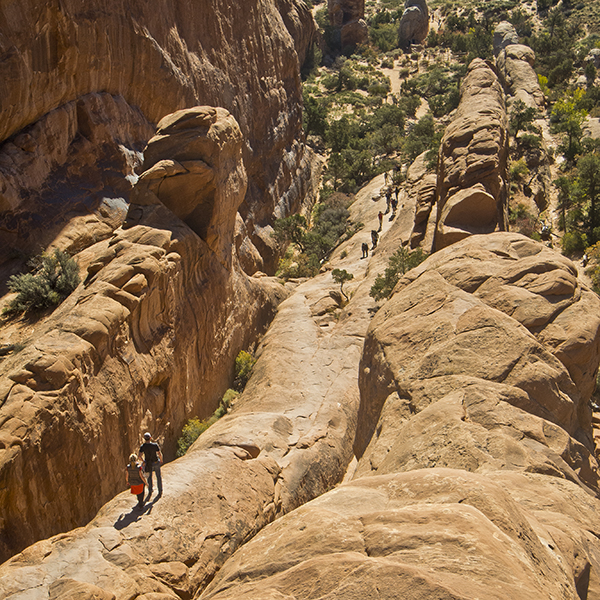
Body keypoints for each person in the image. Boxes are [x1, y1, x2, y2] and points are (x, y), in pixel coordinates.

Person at [139, 432, 163, 499]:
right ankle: (160, 490)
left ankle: (150, 490)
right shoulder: (154, 445)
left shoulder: (143, 446)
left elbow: (139, 456)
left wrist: (143, 461)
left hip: (148, 463)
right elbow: (159, 453)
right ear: (150, 438)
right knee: (158, 476)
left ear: (144, 439)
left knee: (149, 477)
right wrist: (161, 460)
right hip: (155, 462)